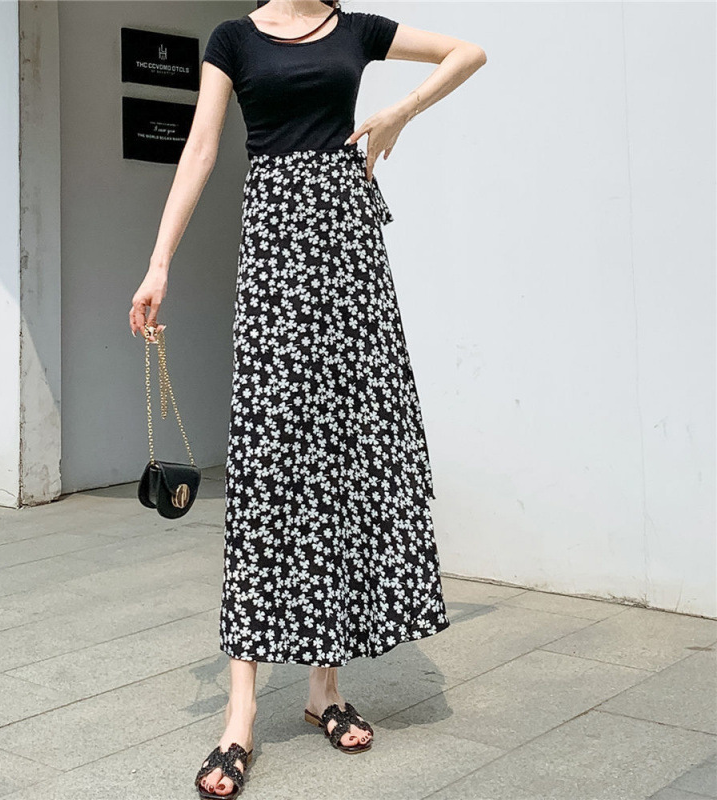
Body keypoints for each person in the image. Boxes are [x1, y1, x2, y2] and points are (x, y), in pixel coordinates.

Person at [129, 1, 486, 796]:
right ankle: (240, 713)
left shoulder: (356, 29)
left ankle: (324, 688)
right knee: (267, 467)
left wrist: (399, 111)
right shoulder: (234, 39)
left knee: (343, 462)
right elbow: (201, 147)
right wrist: (159, 263)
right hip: (275, 253)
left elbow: (469, 52)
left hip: (350, 254)